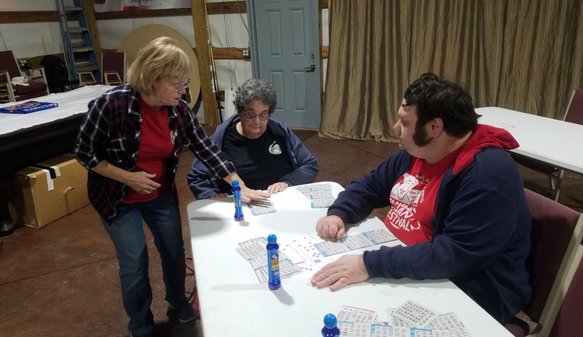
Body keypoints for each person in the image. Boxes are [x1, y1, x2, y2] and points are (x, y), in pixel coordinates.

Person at [74, 37, 268, 337]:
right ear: (152, 79)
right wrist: (128, 177)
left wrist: (239, 186)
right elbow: (85, 154)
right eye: (177, 84)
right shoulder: (112, 105)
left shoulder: (178, 110)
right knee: (135, 260)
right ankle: (140, 324)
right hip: (117, 197)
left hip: (158, 194)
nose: (183, 91)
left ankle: (177, 301)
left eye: (185, 83)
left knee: (174, 251)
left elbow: (207, 149)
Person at [311, 73, 532, 325]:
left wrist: (368, 264)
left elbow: (456, 254)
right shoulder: (417, 152)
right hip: (405, 265)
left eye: (404, 122)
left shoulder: (488, 172)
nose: (396, 128)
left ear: (434, 127)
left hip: (469, 288)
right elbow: (371, 184)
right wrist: (339, 212)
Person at [187, 78, 318, 199]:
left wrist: (288, 182)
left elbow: (309, 164)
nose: (257, 122)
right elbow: (197, 177)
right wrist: (212, 195)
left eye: (263, 115)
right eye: (251, 115)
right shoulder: (222, 138)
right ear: (240, 112)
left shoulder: (279, 132)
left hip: (279, 200)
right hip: (239, 205)